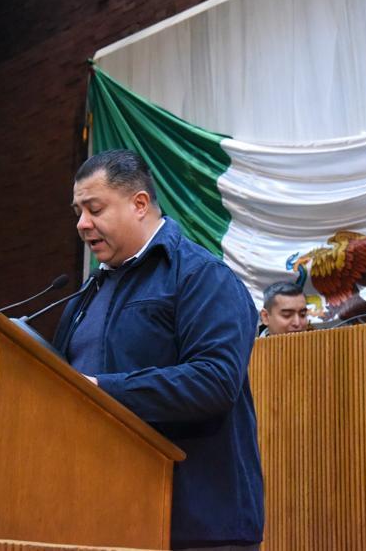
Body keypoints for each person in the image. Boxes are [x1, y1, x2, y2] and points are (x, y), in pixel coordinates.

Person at [53, 149, 264, 549]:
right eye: (78, 211)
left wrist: (99, 391)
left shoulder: (201, 276)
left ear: (139, 204)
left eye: (94, 209)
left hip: (198, 523)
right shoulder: (86, 295)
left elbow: (215, 382)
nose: (82, 224)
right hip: (101, 517)